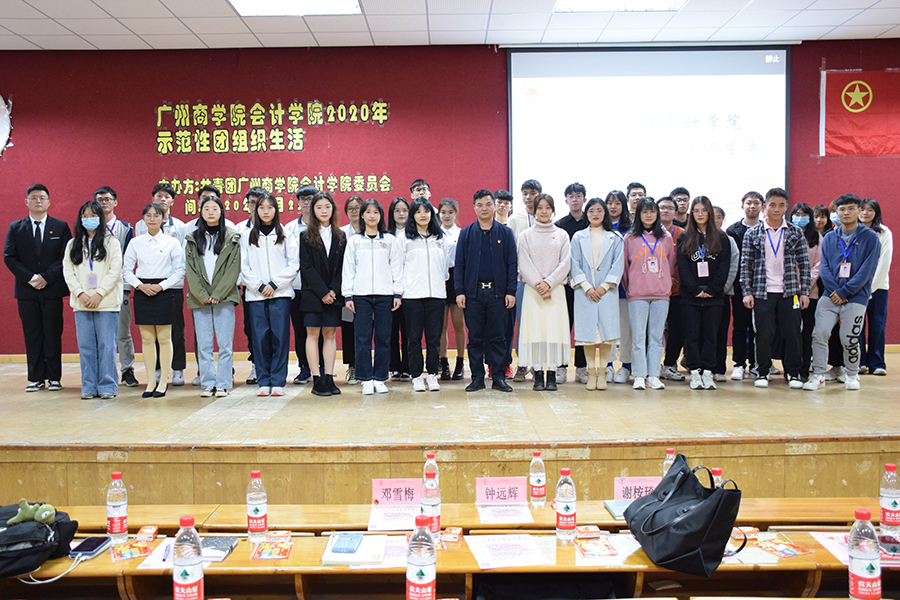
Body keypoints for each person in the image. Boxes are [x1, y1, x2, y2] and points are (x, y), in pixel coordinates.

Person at [804, 194, 881, 391]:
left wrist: (845, 291)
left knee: (849, 338)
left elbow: (867, 270)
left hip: (856, 296)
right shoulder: (830, 237)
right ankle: (819, 375)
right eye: (842, 209)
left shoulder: (870, 237)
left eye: (851, 208)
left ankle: (852, 374)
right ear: (836, 212)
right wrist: (835, 291)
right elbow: (825, 267)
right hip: (830, 295)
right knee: (819, 333)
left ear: (859, 211)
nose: (846, 213)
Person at [740, 188, 811, 389]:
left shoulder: (795, 232)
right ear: (765, 207)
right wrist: (747, 291)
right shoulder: (753, 233)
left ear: (786, 207)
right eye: (772, 205)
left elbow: (804, 264)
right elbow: (745, 264)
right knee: (763, 334)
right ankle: (762, 371)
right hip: (762, 292)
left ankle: (793, 373)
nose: (776, 209)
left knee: (793, 333)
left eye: (781, 205)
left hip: (791, 293)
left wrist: (805, 292)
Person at [4, 184, 72, 392]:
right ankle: (35, 378)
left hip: (52, 290)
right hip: (27, 290)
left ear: (49, 202)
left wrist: (46, 277)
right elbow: (9, 257)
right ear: (26, 202)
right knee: (32, 333)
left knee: (53, 333)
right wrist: (31, 278)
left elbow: (66, 256)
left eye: (42, 197)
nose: (38, 201)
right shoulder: (16, 227)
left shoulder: (60, 226)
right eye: (34, 198)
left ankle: (54, 377)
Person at [455, 190, 517, 392]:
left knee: (498, 337)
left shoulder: (505, 233)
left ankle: (498, 377)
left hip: (498, 294)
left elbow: (512, 263)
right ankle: (477, 378)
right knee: (475, 338)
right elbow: (460, 264)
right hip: (473, 294)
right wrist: (460, 291)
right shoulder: (466, 233)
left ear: (494, 206)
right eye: (480, 204)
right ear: (474, 207)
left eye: (488, 204)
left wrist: (511, 291)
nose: (484, 208)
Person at [62, 200, 123, 399]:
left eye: (93, 215)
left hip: (106, 302)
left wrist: (99, 294)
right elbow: (68, 271)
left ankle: (107, 386)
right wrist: (80, 293)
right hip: (82, 303)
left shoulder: (111, 242)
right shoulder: (73, 243)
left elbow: (115, 271)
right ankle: (89, 385)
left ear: (100, 218)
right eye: (85, 216)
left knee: (107, 345)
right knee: (86, 346)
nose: (89, 219)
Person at [123, 203, 185, 398]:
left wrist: (162, 286)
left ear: (163, 218)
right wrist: (139, 285)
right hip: (142, 291)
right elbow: (126, 270)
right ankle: (151, 381)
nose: (152, 219)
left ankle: (163, 380)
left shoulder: (171, 242)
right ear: (143, 219)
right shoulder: (136, 242)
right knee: (147, 339)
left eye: (156, 215)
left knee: (165, 338)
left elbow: (180, 270)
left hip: (164, 291)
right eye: (148, 215)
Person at [241, 191, 299, 397]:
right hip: (255, 295)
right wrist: (259, 286)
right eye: (261, 208)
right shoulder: (247, 235)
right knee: (260, 338)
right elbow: (243, 266)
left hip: (280, 294)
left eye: (270, 207)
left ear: (276, 210)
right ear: (256, 210)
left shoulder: (286, 234)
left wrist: (274, 284)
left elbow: (293, 264)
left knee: (279, 338)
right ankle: (264, 381)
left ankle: (278, 381)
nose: (266, 211)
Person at [342, 199, 403, 395]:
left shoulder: (390, 240)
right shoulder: (354, 241)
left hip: (385, 295)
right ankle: (365, 378)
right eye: (368, 212)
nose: (372, 216)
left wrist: (398, 292)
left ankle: (380, 377)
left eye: (376, 212)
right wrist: (348, 295)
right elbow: (348, 269)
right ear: (362, 215)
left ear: (380, 216)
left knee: (384, 338)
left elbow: (397, 268)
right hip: (361, 296)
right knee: (362, 338)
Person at [185, 195, 241, 398]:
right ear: (200, 212)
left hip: (224, 298)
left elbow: (233, 269)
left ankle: (223, 383)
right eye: (206, 208)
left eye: (214, 208)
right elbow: (190, 270)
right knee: (204, 345)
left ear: (221, 212)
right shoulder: (192, 238)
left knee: (225, 344)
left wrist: (218, 294)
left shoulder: (232, 237)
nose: (210, 212)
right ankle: (208, 383)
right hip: (199, 299)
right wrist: (201, 294)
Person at [517, 194, 571, 391]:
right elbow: (524, 263)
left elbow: (565, 263)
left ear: (553, 210)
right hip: (533, 292)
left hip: (555, 291)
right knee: (536, 331)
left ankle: (552, 374)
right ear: (534, 210)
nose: (544, 211)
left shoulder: (562, 235)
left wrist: (548, 283)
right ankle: (538, 373)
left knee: (554, 332)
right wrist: (539, 285)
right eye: (540, 207)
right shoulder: (525, 235)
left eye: (547, 207)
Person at [570, 198, 624, 391]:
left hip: (606, 292)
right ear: (586, 213)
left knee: (607, 335)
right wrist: (587, 287)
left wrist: (604, 286)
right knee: (588, 335)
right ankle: (591, 373)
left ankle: (602, 373)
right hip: (585, 292)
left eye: (599, 210)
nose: (595, 214)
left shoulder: (615, 237)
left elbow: (618, 265)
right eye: (591, 210)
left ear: (605, 213)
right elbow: (574, 264)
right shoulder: (578, 237)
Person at [678, 197, 731, 390]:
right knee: (692, 335)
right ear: (691, 214)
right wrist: (695, 289)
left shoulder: (722, 238)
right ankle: (694, 372)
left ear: (709, 212)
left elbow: (724, 267)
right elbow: (683, 268)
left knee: (711, 335)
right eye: (696, 211)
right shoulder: (684, 237)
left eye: (704, 210)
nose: (700, 214)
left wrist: (712, 289)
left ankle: (708, 372)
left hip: (714, 297)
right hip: (690, 297)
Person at [400, 198, 452, 392]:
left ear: (432, 214)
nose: (423, 215)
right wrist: (402, 290)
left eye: (426, 211)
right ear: (412, 215)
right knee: (413, 338)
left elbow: (445, 268)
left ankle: (432, 375)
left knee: (433, 338)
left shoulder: (440, 238)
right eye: (418, 211)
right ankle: (416, 376)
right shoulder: (404, 238)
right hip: (412, 296)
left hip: (436, 295)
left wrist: (439, 283)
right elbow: (398, 267)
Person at [623, 198, 675, 390]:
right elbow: (625, 268)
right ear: (638, 214)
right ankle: (639, 375)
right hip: (637, 294)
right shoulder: (630, 238)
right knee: (638, 337)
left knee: (656, 337)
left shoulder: (666, 237)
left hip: (661, 294)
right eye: (644, 211)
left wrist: (665, 284)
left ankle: (653, 375)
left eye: (652, 211)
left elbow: (670, 264)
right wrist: (632, 288)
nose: (649, 215)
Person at [300, 191, 347, 397]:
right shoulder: (305, 236)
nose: (323, 210)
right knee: (313, 334)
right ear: (313, 210)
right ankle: (317, 378)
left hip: (334, 294)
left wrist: (333, 291)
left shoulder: (341, 235)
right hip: (313, 294)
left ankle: (329, 377)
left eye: (327, 206)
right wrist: (323, 292)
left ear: (333, 209)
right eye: (318, 207)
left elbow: (343, 267)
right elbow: (306, 267)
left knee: (330, 334)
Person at [94, 186, 139, 388]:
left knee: (123, 331)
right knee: (99, 334)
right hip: (94, 289)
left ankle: (127, 369)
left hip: (120, 287)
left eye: (107, 199)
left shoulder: (126, 228)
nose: (104, 203)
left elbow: (128, 260)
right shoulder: (89, 227)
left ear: (115, 202)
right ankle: (101, 371)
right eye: (100, 199)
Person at [555, 183, 589, 385]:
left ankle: (582, 368)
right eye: (571, 196)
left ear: (585, 199)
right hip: (566, 284)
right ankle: (560, 366)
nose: (575, 199)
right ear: (566, 200)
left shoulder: (592, 222)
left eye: (578, 195)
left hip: (586, 284)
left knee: (583, 327)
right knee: (564, 326)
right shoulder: (559, 225)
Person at [725, 191, 763, 380]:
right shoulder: (733, 230)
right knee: (740, 326)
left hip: (763, 286)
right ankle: (739, 364)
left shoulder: (766, 229)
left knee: (760, 327)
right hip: (740, 286)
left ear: (762, 207)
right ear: (742, 206)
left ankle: (757, 364)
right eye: (749, 203)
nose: (752, 206)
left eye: (756, 203)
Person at [286, 185, 319, 384]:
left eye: (310, 198)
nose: (307, 202)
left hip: (319, 290)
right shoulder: (289, 229)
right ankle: (304, 367)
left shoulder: (323, 225)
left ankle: (321, 367)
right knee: (300, 330)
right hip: (296, 288)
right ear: (298, 203)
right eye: (303, 199)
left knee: (321, 329)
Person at [510, 179, 541, 382]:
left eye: (532, 193)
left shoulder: (546, 218)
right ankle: (522, 363)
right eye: (525, 193)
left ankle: (538, 365)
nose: (528, 197)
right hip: (521, 280)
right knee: (522, 323)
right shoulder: (515, 219)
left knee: (540, 323)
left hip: (543, 282)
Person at [788, 203, 822, 382]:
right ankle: (790, 368)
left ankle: (804, 369)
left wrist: (805, 286)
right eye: (797, 214)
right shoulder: (787, 234)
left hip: (810, 293)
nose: (800, 218)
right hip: (789, 292)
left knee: (806, 331)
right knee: (790, 331)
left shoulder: (817, 238)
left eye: (804, 215)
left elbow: (818, 265)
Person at [858, 198, 892, 376]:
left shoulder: (884, 232)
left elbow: (884, 262)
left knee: (877, 324)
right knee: (857, 326)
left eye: (869, 210)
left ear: (876, 212)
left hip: (878, 287)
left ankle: (877, 363)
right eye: (862, 209)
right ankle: (860, 362)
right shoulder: (853, 231)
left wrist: (870, 288)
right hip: (857, 287)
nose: (865, 213)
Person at [657, 196, 686, 382]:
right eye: (662, 207)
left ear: (675, 212)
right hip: (654, 291)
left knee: (677, 329)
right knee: (653, 331)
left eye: (669, 208)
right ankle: (650, 366)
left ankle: (670, 364)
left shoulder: (683, 234)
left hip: (677, 292)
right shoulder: (648, 233)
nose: (665, 211)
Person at [605, 190, 633, 383]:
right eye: (610, 203)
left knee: (625, 329)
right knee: (607, 329)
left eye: (617, 203)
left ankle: (626, 366)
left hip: (626, 288)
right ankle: (607, 365)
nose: (613, 207)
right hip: (605, 289)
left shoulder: (631, 230)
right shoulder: (601, 228)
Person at [438, 198, 465, 381]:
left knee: (458, 323)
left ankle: (460, 363)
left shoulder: (462, 234)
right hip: (439, 278)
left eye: (450, 212)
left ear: (456, 213)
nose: (446, 216)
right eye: (443, 212)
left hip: (456, 278)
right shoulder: (434, 234)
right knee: (441, 326)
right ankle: (444, 364)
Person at [712, 206, 740, 382]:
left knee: (721, 332)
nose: (715, 220)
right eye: (712, 216)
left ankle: (719, 369)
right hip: (701, 295)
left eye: (719, 217)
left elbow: (733, 266)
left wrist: (722, 288)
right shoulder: (697, 238)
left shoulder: (729, 240)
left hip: (722, 295)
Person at [339, 195, 363, 385]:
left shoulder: (371, 231)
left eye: (357, 207)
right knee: (348, 328)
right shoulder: (340, 233)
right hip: (346, 291)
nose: (354, 211)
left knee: (367, 329)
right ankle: (353, 366)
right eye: (351, 208)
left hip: (367, 290)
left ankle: (366, 366)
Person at [387, 196, 411, 381]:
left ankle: (407, 367)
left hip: (410, 290)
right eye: (397, 210)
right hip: (389, 290)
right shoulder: (386, 235)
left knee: (409, 330)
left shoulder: (414, 234)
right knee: (391, 330)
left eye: (404, 210)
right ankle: (394, 366)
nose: (401, 214)